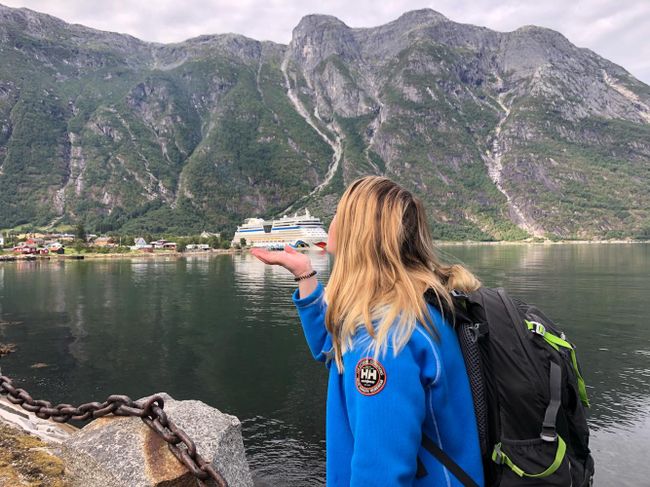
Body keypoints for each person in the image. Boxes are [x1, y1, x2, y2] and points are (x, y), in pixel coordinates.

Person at [251, 176, 484, 487]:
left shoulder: (383, 340)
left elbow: (379, 473)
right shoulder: (418, 302)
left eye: (338, 213)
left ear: (356, 232)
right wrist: (304, 274)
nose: (331, 221)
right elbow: (332, 348)